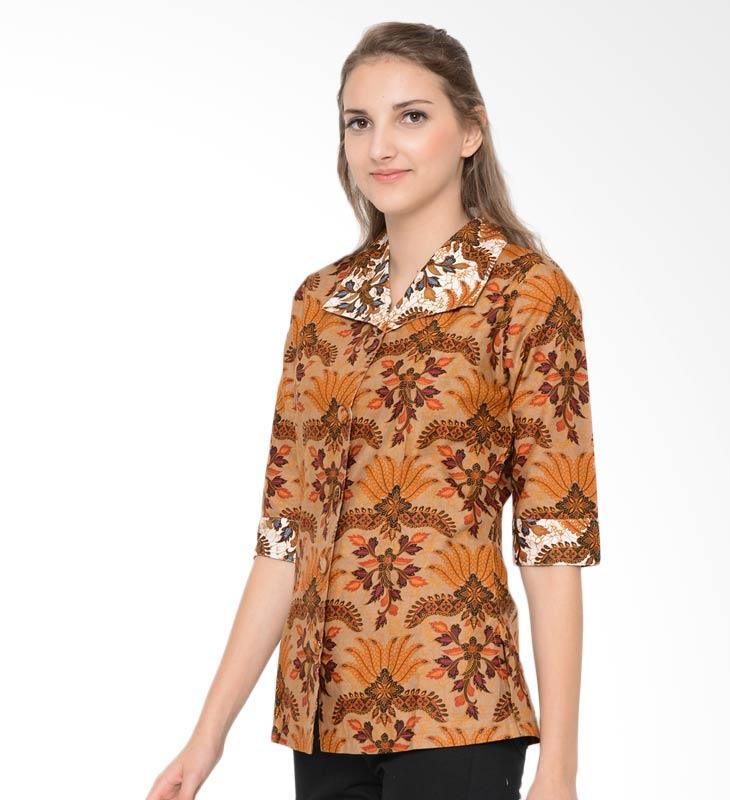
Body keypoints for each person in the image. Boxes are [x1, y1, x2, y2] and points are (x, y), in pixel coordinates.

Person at [146, 20, 601, 800]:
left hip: (458, 709)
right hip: (323, 720)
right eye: (359, 123)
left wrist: (560, 766)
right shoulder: (320, 304)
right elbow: (285, 540)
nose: (380, 146)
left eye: (411, 116)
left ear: (471, 132)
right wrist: (205, 738)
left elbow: (552, 540)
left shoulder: (526, 294)